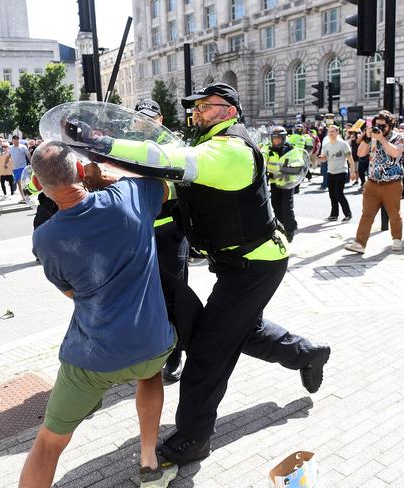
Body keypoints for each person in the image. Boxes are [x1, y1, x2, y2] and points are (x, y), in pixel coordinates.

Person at [68, 84, 331, 465]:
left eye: (207, 107)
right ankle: (307, 353)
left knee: (207, 354)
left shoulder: (230, 149)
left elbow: (167, 158)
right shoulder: (209, 145)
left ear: (229, 111)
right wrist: (112, 184)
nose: (197, 113)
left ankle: (194, 438)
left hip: (255, 265)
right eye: (196, 108)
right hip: (239, 264)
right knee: (240, 330)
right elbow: (177, 190)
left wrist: (99, 141)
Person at [19, 141, 179, 488]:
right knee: (150, 375)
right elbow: (166, 184)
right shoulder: (130, 196)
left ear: (40, 187)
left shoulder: (45, 238)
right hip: (151, 343)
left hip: (91, 359)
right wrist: (106, 176)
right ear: (80, 170)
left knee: (49, 442)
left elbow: (72, 294)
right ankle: (149, 463)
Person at [135, 98, 189, 382]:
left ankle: (176, 353)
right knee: (145, 297)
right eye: (140, 118)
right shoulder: (129, 147)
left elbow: (184, 185)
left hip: (169, 234)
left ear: (160, 120)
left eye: (150, 118)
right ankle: (153, 349)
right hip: (140, 234)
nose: (144, 123)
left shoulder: (173, 147)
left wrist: (157, 188)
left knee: (173, 296)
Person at [345, 110, 404, 253]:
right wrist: (367, 138)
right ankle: (360, 244)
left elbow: (395, 153)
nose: (379, 128)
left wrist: (382, 139)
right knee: (367, 214)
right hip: (372, 182)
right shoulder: (372, 137)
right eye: (376, 125)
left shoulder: (400, 137)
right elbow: (360, 153)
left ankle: (397, 239)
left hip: (392, 183)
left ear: (390, 125)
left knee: (394, 214)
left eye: (382, 126)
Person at [262, 126, 301, 242]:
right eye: (274, 138)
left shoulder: (292, 150)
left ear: (284, 138)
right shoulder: (267, 149)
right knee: (276, 206)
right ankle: (281, 225)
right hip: (275, 183)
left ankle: (290, 230)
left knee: (286, 207)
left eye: (279, 138)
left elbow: (299, 168)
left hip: (288, 183)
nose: (276, 141)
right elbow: (262, 156)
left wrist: (283, 171)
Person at [318, 125, 356, 222]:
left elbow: (350, 158)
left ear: (337, 132)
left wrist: (352, 171)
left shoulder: (343, 144)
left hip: (342, 171)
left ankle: (348, 214)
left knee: (339, 193)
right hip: (331, 172)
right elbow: (324, 159)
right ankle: (334, 215)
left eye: (333, 131)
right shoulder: (326, 145)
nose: (331, 133)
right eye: (329, 132)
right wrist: (321, 159)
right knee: (332, 194)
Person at [3, 135, 31, 203]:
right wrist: (5, 163)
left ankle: (28, 196)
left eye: (17, 140)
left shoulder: (23, 147)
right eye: (15, 141)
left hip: (23, 167)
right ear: (12, 141)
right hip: (15, 168)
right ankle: (24, 198)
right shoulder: (11, 148)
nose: (16, 142)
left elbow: (29, 155)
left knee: (24, 183)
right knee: (19, 183)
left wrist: (32, 164)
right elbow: (8, 156)